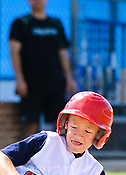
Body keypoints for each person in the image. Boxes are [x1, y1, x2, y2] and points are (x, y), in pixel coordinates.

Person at [9, 0, 77, 138]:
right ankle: (28, 158)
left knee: (61, 124)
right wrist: (20, 80)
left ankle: (59, 158)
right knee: (30, 123)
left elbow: (63, 54)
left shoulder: (56, 24)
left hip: (55, 83)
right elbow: (14, 52)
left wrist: (69, 78)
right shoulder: (21, 23)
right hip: (31, 85)